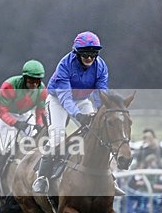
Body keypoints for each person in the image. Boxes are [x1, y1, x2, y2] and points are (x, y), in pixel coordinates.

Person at [32, 31, 124, 195]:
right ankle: (42, 177)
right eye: (85, 54)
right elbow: (65, 98)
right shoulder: (65, 65)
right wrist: (79, 115)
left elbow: (101, 94)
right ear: (77, 53)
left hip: (82, 100)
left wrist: (101, 112)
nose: (89, 58)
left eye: (93, 54)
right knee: (57, 136)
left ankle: (109, 177)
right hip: (58, 100)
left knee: (98, 133)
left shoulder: (101, 67)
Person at [0, 59, 47, 193]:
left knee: (38, 141)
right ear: (24, 78)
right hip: (5, 113)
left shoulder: (42, 90)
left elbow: (40, 111)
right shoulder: (9, 85)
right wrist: (16, 123)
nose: (34, 84)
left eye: (37, 81)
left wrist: (39, 125)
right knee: (8, 146)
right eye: (31, 80)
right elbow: (2, 111)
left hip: (24, 114)